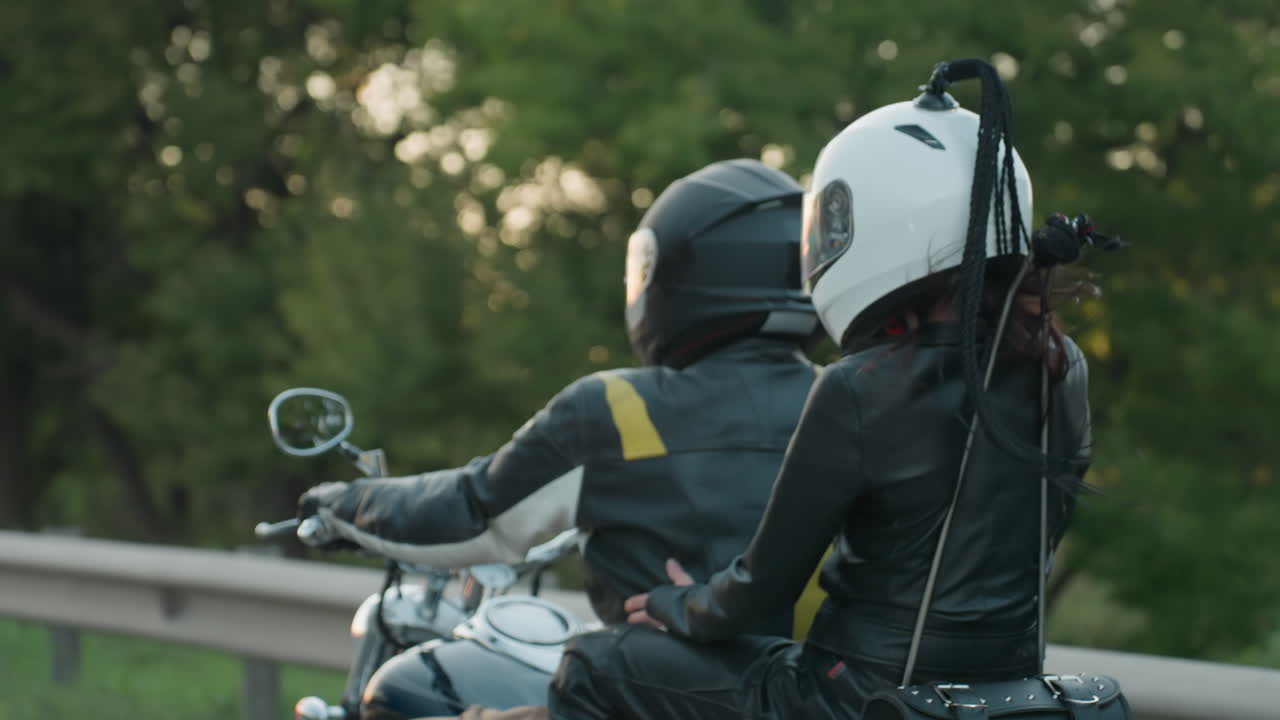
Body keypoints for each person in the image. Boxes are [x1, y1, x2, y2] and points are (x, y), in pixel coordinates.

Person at [548, 59, 1098, 719]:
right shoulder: (1059, 366)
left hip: (850, 699)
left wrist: (675, 603)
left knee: (593, 662)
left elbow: (758, 589)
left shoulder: (861, 387)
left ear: (885, 220)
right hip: (993, 702)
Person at [296, 159, 825, 718]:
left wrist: (341, 506)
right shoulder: (847, 398)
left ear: (674, 273)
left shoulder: (622, 410)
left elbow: (473, 513)